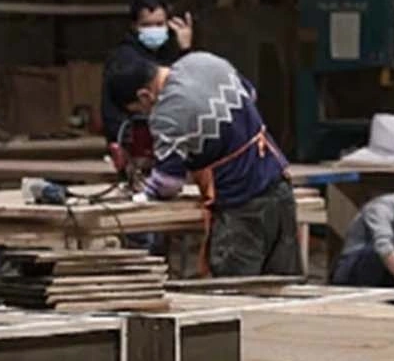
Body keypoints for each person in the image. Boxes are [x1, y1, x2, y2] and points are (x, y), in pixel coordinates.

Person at [107, 48, 301, 278]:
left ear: (144, 96)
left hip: (241, 207)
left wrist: (147, 191)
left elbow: (169, 183)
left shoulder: (166, 114)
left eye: (140, 110)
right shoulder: (204, 61)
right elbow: (250, 93)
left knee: (236, 295)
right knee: (285, 289)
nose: (146, 115)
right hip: (279, 186)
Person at [101, 0, 191, 147]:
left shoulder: (169, 52)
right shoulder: (124, 58)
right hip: (134, 140)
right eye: (146, 25)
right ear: (134, 26)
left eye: (159, 24)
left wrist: (185, 49)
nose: (154, 29)